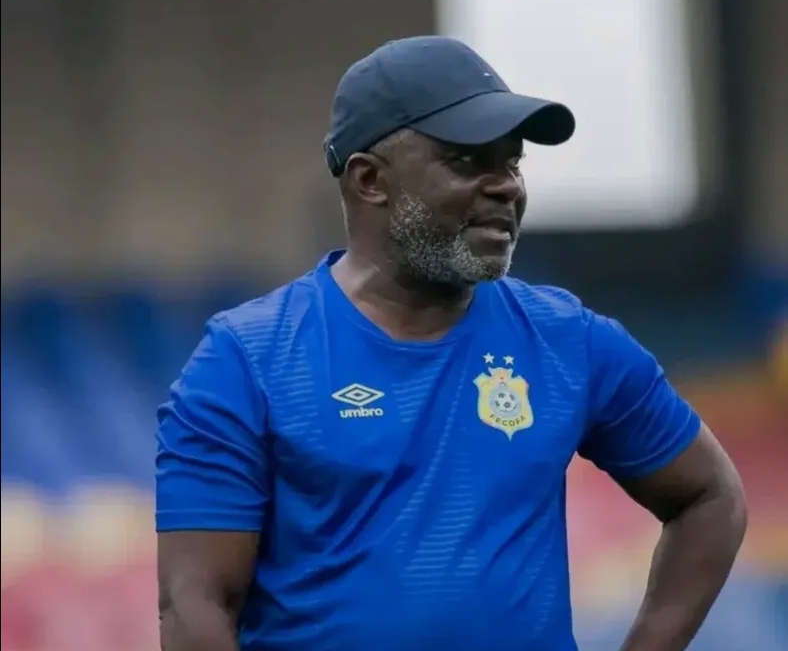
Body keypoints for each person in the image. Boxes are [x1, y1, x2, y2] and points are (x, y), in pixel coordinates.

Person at [156, 36, 747, 651]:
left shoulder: (570, 339)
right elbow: (194, 602)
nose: (507, 187)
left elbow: (710, 496)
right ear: (370, 180)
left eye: (512, 163)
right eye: (468, 162)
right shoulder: (245, 360)